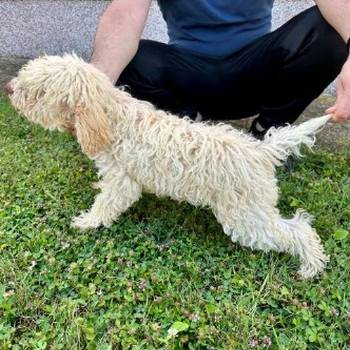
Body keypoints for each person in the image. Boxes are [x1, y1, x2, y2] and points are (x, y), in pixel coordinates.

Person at [90, 0, 350, 139]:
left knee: (328, 32)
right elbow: (124, 14)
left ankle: (269, 130)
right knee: (129, 59)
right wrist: (92, 94)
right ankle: (186, 126)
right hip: (188, 78)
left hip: (255, 74)